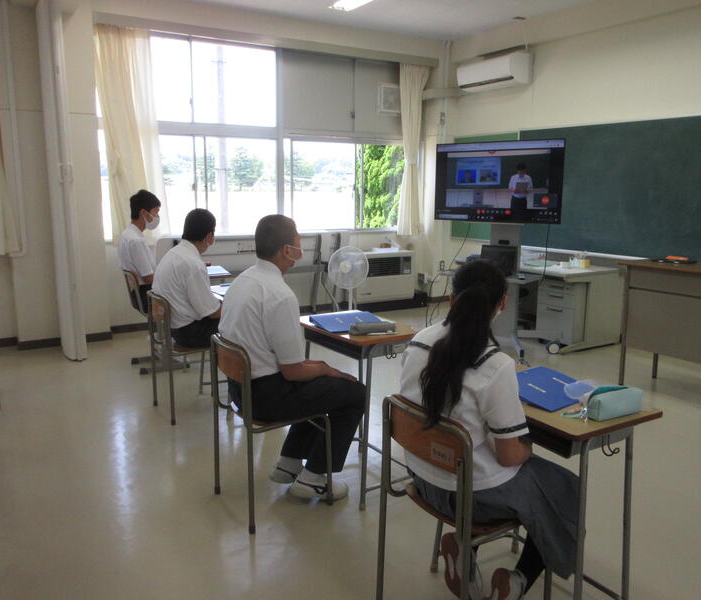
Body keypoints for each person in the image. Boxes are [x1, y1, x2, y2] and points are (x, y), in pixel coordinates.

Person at [399, 260, 578, 600]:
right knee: (565, 488)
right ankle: (518, 581)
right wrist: (527, 445)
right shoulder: (496, 365)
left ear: (451, 299)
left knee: (473, 456)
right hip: (467, 496)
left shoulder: (420, 341)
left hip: (422, 476)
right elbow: (510, 456)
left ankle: (465, 550)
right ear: (503, 304)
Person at [218, 214, 365, 501]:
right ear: (287, 250)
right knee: (354, 393)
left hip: (238, 390)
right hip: (264, 398)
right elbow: (294, 372)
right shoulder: (279, 295)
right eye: (298, 240)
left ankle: (289, 463)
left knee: (320, 386)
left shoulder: (242, 281)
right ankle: (314, 478)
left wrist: (320, 370)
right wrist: (327, 369)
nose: (301, 246)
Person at [152, 208, 221, 349]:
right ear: (209, 236)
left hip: (170, 327)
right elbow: (212, 312)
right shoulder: (194, 265)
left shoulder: (172, 254)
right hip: (189, 333)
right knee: (238, 320)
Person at [117, 189, 161, 311]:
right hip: (147, 296)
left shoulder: (128, 234)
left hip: (141, 294)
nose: (157, 217)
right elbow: (148, 278)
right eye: (156, 212)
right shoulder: (135, 241)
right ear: (143, 213)